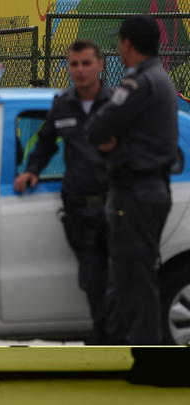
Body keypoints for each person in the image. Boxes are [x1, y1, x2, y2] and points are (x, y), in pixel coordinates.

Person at [85, 15, 178, 345]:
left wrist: (114, 141)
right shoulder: (159, 78)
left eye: (120, 41)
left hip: (136, 191)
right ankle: (129, 351)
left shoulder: (137, 82)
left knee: (135, 281)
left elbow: (97, 128)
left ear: (128, 43)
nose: (118, 47)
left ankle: (146, 359)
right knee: (132, 277)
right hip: (148, 188)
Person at [14, 39, 113, 344]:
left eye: (86, 63)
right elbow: (45, 143)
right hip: (80, 209)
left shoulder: (117, 104)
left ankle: (123, 338)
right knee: (91, 278)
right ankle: (102, 337)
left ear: (100, 65)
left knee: (123, 278)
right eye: (74, 64)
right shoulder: (62, 105)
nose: (80, 70)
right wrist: (31, 170)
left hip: (117, 205)